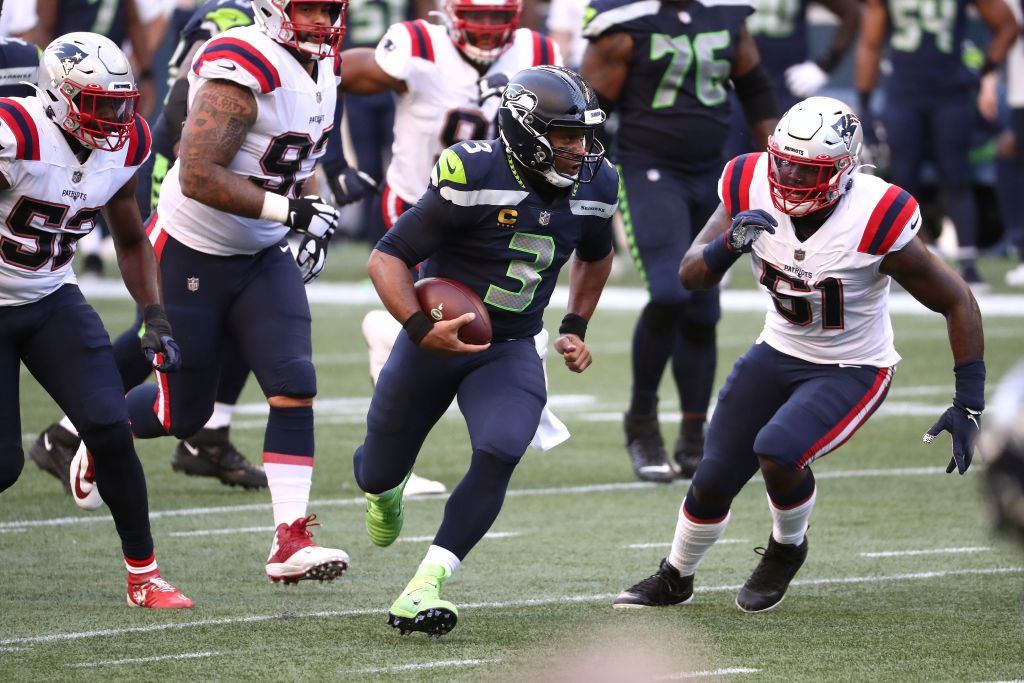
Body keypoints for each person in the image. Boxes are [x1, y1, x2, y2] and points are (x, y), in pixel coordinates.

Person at [614, 96, 986, 613]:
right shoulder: (749, 179)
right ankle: (676, 575)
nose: (787, 176)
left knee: (778, 448)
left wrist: (968, 401)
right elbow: (689, 275)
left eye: (805, 169)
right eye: (782, 161)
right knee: (713, 475)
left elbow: (957, 299)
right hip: (778, 348)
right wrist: (729, 245)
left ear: (841, 170)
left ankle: (787, 547)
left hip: (852, 365)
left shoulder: (875, 214)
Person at [355, 65, 618, 636]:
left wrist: (575, 323)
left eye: (584, 136)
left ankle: (426, 582)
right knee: (375, 472)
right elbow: (388, 255)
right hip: (437, 336)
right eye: (566, 136)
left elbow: (596, 254)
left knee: (502, 446)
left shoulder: (597, 186)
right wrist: (419, 324)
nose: (580, 150)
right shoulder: (474, 171)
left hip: (510, 345)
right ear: (526, 132)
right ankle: (387, 492)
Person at [121, 0, 351, 584]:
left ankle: (289, 539)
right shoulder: (242, 63)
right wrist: (293, 211)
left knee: (294, 383)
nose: (322, 22)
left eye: (331, 9)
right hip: (192, 246)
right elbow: (198, 174)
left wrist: (308, 212)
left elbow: (299, 156)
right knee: (183, 414)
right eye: (309, 10)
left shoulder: (325, 64)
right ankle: (96, 427)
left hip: (260, 252)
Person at [29, 0, 270, 496]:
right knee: (169, 317)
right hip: (184, 165)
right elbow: (190, 104)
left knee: (237, 314)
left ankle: (209, 433)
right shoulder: (230, 23)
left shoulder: (279, 32)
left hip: (224, 182)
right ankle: (71, 431)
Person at [0, 32, 191, 608]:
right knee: (3, 466)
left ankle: (144, 574)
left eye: (120, 103)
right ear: (57, 95)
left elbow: (131, 237)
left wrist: (154, 314)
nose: (114, 118)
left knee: (108, 425)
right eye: (99, 104)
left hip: (52, 295)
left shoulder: (126, 141)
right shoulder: (17, 132)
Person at [341, 0, 571, 462]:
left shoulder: (537, 50)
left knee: (498, 317)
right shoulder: (417, 44)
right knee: (436, 321)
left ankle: (486, 410)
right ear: (450, 12)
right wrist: (328, 160)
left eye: (495, 17)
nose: (486, 29)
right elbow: (328, 74)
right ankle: (393, 441)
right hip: (423, 204)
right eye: (477, 16)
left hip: (497, 210)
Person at [581, 0, 780, 482]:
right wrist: (586, 178)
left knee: (704, 308)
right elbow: (587, 110)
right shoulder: (623, 20)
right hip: (648, 169)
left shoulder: (726, 13)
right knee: (672, 292)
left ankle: (695, 434)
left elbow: (753, 87)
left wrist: (779, 160)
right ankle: (642, 421)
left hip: (712, 170)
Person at [855, 0, 1018, 289]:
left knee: (956, 176)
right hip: (904, 93)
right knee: (903, 180)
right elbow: (870, 41)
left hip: (949, 93)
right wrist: (864, 102)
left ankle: (968, 265)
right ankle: (899, 265)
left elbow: (1007, 25)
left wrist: (985, 72)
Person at [724, 0, 859, 157]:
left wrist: (824, 65)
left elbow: (852, 12)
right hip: (737, 83)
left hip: (784, 84)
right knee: (731, 159)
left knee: (786, 157)